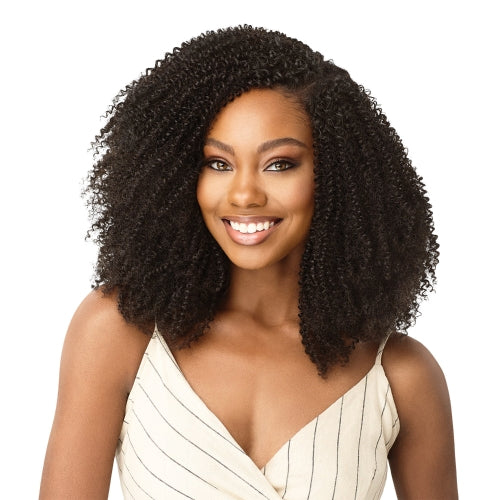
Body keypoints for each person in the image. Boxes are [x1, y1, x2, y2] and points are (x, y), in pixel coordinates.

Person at [40, 26, 458, 499]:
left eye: (279, 164)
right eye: (218, 163)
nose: (243, 195)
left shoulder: (402, 377)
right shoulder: (119, 332)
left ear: (336, 175)